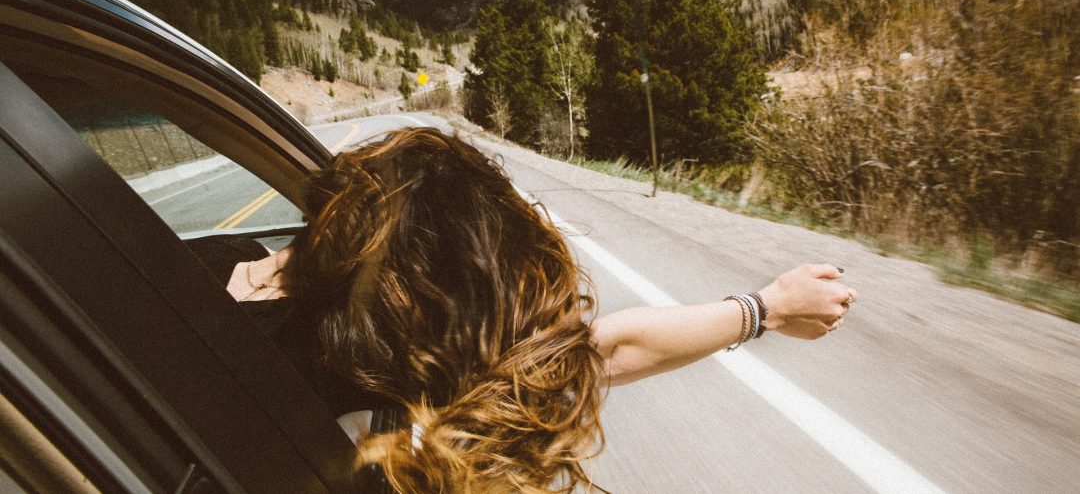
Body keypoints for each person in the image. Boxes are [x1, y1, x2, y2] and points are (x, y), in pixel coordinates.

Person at [202, 127, 857, 492]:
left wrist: (763, 307)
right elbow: (597, 353)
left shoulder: (200, 264)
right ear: (409, 281)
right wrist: (763, 309)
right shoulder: (358, 395)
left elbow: (593, 351)